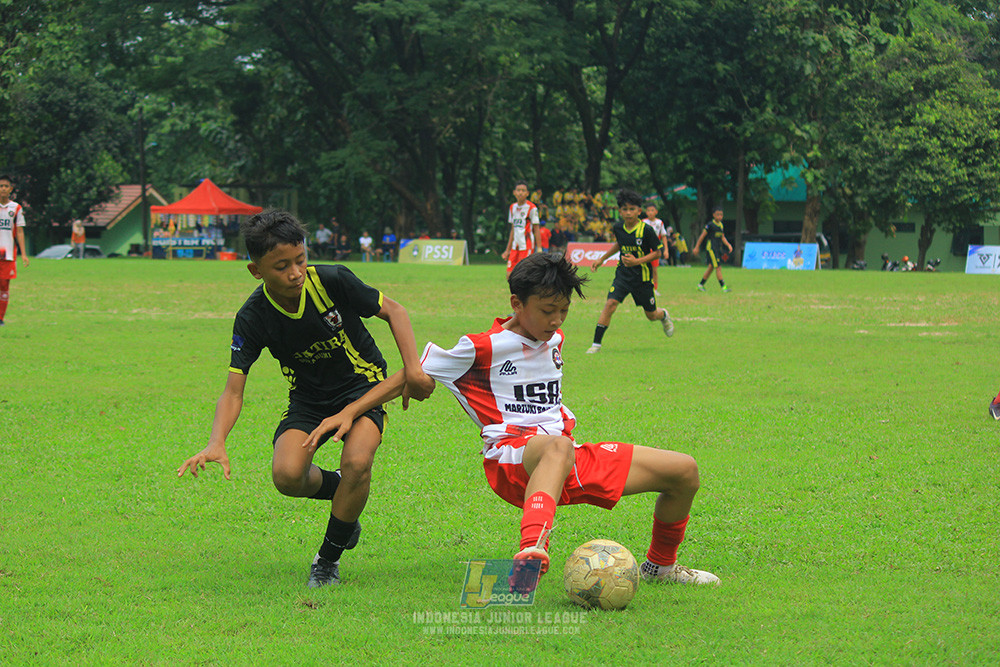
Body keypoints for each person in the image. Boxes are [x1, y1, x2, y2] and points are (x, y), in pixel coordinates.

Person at [304, 253, 718, 593]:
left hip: (565, 455)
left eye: (564, 311)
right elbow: (411, 375)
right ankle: (530, 554)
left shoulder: (552, 337)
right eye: (547, 311)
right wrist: (350, 411)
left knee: (684, 471)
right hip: (512, 460)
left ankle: (661, 567)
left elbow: (546, 352)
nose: (557, 321)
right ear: (517, 304)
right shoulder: (482, 347)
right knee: (554, 446)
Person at [177, 209, 433, 588]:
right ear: (256, 271)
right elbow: (233, 390)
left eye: (300, 259)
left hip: (362, 385)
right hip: (309, 399)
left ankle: (327, 561)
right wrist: (217, 442)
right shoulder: (252, 317)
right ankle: (345, 495)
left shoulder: (331, 280)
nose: (296, 272)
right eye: (281, 266)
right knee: (287, 476)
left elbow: (395, 311)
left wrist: (412, 369)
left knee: (358, 460)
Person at [587, 188, 674, 354]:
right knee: (610, 304)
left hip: (643, 278)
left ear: (639, 211)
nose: (628, 213)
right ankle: (596, 344)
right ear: (620, 211)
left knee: (651, 315)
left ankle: (663, 316)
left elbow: (657, 252)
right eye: (625, 209)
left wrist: (637, 261)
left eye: (632, 209)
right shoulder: (618, 227)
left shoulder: (646, 230)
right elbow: (619, 244)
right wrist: (602, 259)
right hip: (623, 275)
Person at [0, 174, 29, 326]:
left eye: (6, 186)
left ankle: (1, 318)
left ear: (10, 189)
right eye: (1, 186)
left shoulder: (16, 208)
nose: (3, 189)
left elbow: (19, 231)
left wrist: (24, 254)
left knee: (4, 286)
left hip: (8, 255)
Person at [502, 181, 542, 275]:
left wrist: (539, 247)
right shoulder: (512, 208)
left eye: (523, 190)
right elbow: (513, 229)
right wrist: (507, 249)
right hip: (515, 246)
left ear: (527, 193)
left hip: (526, 245)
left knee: (524, 273)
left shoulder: (532, 208)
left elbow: (536, 228)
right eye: (518, 190)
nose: (520, 192)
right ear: (514, 192)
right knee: (509, 275)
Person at [693, 206, 733, 292]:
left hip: (718, 249)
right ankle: (723, 286)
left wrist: (728, 245)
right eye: (718, 214)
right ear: (713, 215)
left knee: (711, 267)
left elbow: (722, 237)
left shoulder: (721, 225)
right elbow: (702, 236)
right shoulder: (710, 225)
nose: (720, 216)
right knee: (718, 267)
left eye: (721, 215)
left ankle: (700, 285)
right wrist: (697, 247)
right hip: (711, 249)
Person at [642, 202, 668, 293]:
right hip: (645, 248)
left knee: (654, 269)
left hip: (654, 249)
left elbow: (663, 236)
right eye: (648, 210)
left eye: (652, 210)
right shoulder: (643, 222)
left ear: (656, 212)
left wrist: (666, 250)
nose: (650, 212)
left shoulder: (659, 222)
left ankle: (655, 288)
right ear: (646, 212)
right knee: (644, 268)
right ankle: (643, 287)